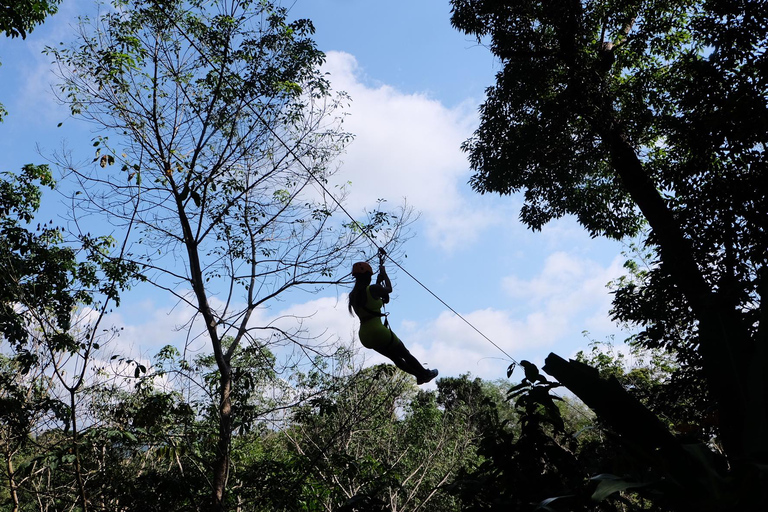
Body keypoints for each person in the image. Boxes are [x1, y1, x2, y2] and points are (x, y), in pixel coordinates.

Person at [348, 258, 438, 385]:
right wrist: (384, 273)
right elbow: (389, 289)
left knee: (395, 358)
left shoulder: (353, 296)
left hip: (364, 335)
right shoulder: (372, 289)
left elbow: (371, 299)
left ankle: (419, 375)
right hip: (378, 331)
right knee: (404, 354)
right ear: (368, 276)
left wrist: (378, 283)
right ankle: (424, 374)